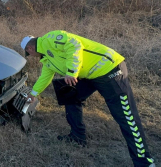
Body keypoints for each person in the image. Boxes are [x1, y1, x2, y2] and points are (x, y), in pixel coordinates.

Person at [20, 30, 154, 167]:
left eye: (28, 53)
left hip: (109, 69)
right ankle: (77, 136)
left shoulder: (50, 38)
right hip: (90, 75)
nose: (31, 56)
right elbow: (45, 77)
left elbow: (74, 45)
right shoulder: (47, 60)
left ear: (30, 48)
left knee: (126, 117)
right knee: (68, 94)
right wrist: (33, 94)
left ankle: (145, 162)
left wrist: (72, 71)